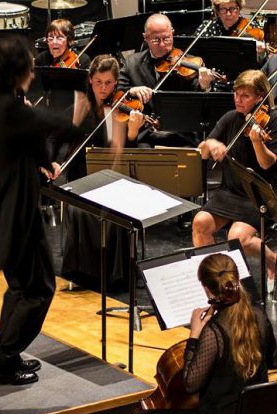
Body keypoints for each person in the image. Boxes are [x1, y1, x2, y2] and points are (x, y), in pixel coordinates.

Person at [0, 35, 85, 385]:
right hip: (15, 209)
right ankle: (2, 357)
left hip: (6, 203)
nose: (34, 75)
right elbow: (53, 124)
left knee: (22, 286)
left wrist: (41, 162)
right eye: (30, 68)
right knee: (36, 289)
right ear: (17, 70)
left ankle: (4, 351)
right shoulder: (9, 107)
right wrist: (81, 110)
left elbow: (21, 138)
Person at [129, 253, 276, 414]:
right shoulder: (259, 317)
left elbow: (191, 383)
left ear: (207, 289)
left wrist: (194, 334)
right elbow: (273, 361)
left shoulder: (214, 332)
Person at [59, 55, 145, 290]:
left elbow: (130, 155)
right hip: (82, 178)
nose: (104, 88)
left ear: (116, 83)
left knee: (116, 210)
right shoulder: (80, 107)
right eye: (99, 82)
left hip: (114, 180)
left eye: (109, 83)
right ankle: (84, 274)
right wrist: (56, 163)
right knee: (79, 210)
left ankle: (115, 275)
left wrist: (133, 132)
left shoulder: (123, 109)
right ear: (90, 80)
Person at [193, 69, 277, 285]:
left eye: (245, 96)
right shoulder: (231, 118)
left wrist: (258, 142)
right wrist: (211, 144)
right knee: (200, 223)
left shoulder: (272, 122)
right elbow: (202, 151)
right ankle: (215, 281)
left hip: (257, 194)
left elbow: (267, 163)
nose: (238, 100)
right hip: (229, 191)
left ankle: (271, 259)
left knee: (237, 238)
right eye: (236, 94)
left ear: (260, 97)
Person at [118, 13, 215, 147]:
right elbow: (117, 95)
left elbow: (201, 105)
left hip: (181, 135)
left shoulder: (189, 63)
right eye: (156, 40)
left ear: (172, 33)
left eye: (167, 38)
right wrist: (131, 91)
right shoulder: (132, 63)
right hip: (147, 135)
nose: (163, 45)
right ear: (145, 38)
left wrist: (205, 86)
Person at [194, 0, 266, 57]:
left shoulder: (252, 26)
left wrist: (261, 54)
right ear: (217, 11)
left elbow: (262, 61)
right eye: (223, 9)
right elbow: (192, 52)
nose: (228, 14)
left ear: (239, 9)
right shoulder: (207, 27)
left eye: (232, 9)